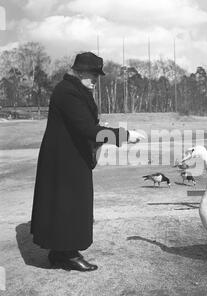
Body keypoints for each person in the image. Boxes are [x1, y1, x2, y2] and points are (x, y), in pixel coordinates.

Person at [31, 52, 144, 272]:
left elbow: (84, 124)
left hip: (68, 157)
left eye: (97, 75)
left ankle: (60, 250)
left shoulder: (75, 90)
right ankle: (67, 254)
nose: (95, 79)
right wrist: (124, 136)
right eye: (92, 74)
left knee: (65, 204)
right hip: (65, 161)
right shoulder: (68, 93)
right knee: (69, 205)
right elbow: (86, 129)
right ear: (79, 71)